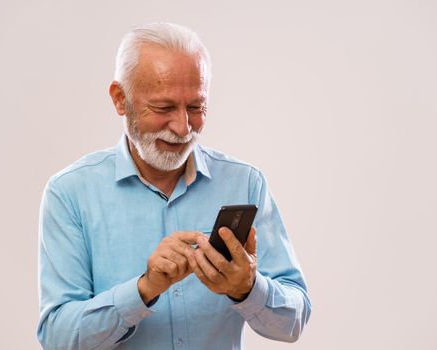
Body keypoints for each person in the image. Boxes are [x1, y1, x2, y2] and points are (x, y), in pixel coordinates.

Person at [37, 22, 311, 350]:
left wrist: (248, 288)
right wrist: (143, 290)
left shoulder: (245, 182)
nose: (183, 128)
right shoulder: (69, 193)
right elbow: (57, 337)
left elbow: (294, 322)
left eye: (195, 107)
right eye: (164, 107)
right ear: (119, 99)